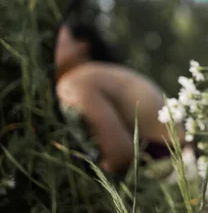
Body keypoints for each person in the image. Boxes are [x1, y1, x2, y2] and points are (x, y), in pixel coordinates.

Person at [53, 19, 180, 177]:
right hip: (183, 157)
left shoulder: (75, 80)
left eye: (58, 36)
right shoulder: (106, 73)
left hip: (172, 171)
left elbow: (121, 157)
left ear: (82, 45)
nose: (50, 43)